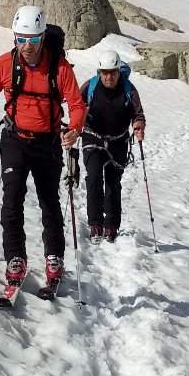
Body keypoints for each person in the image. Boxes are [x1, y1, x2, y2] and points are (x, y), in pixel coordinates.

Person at [0, 5, 86, 293]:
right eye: (21, 39)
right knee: (12, 199)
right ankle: (15, 258)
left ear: (43, 37)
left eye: (33, 39)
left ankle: (54, 257)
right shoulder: (4, 64)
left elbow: (76, 104)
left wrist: (74, 129)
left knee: (49, 201)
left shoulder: (59, 67)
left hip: (48, 142)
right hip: (15, 140)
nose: (27, 46)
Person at [79, 50, 145, 243]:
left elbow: (138, 114)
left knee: (113, 183)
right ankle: (95, 223)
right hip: (93, 138)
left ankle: (111, 225)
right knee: (93, 178)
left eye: (113, 72)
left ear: (118, 72)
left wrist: (138, 126)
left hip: (118, 141)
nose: (109, 76)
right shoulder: (90, 87)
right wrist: (78, 118)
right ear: (100, 72)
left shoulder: (128, 89)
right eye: (105, 72)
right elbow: (76, 107)